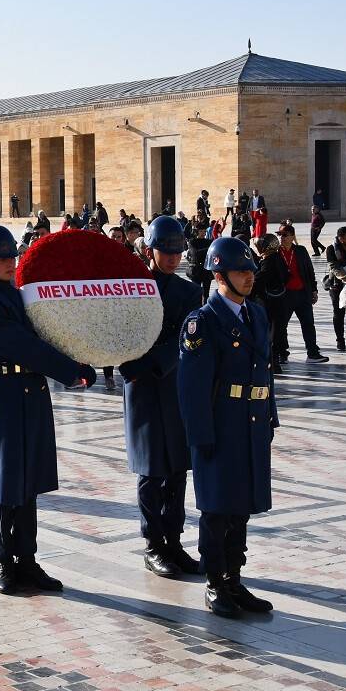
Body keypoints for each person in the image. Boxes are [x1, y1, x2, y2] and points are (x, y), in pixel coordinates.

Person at [0, 224, 96, 595]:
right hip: (4, 396)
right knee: (4, 483)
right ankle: (4, 560)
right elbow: (26, 346)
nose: (10, 263)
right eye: (1, 258)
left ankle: (27, 558)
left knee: (28, 483)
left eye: (13, 256)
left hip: (30, 393)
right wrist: (72, 370)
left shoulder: (20, 295)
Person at [178, 236, 278, 617]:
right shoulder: (201, 323)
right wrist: (200, 437)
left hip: (250, 424)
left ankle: (235, 579)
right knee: (218, 508)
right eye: (241, 271)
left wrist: (270, 416)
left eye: (251, 269)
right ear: (219, 275)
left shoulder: (256, 314)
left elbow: (265, 372)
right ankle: (216, 583)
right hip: (220, 426)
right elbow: (192, 388)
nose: (249, 276)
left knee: (241, 507)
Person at [119, 217, 204, 577]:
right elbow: (118, 334)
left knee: (178, 472)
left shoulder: (188, 292)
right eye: (166, 250)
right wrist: (133, 364)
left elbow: (188, 337)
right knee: (151, 471)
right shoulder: (133, 288)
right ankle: (154, 543)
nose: (172, 257)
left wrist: (157, 361)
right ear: (150, 249)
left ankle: (174, 540)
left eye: (177, 251)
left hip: (173, 385)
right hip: (142, 388)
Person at [274, 224, 328, 363]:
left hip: (302, 293)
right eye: (279, 235)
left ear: (292, 236)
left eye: (285, 235)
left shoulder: (300, 251)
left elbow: (309, 271)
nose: (281, 238)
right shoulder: (275, 252)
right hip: (284, 295)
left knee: (308, 323)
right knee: (281, 325)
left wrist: (314, 290)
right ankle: (282, 353)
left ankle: (312, 353)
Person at [251, 233, 288, 371]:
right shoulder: (278, 258)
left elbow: (260, 280)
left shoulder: (269, 261)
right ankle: (275, 360)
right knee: (277, 331)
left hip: (269, 303)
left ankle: (273, 362)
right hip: (279, 300)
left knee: (270, 333)